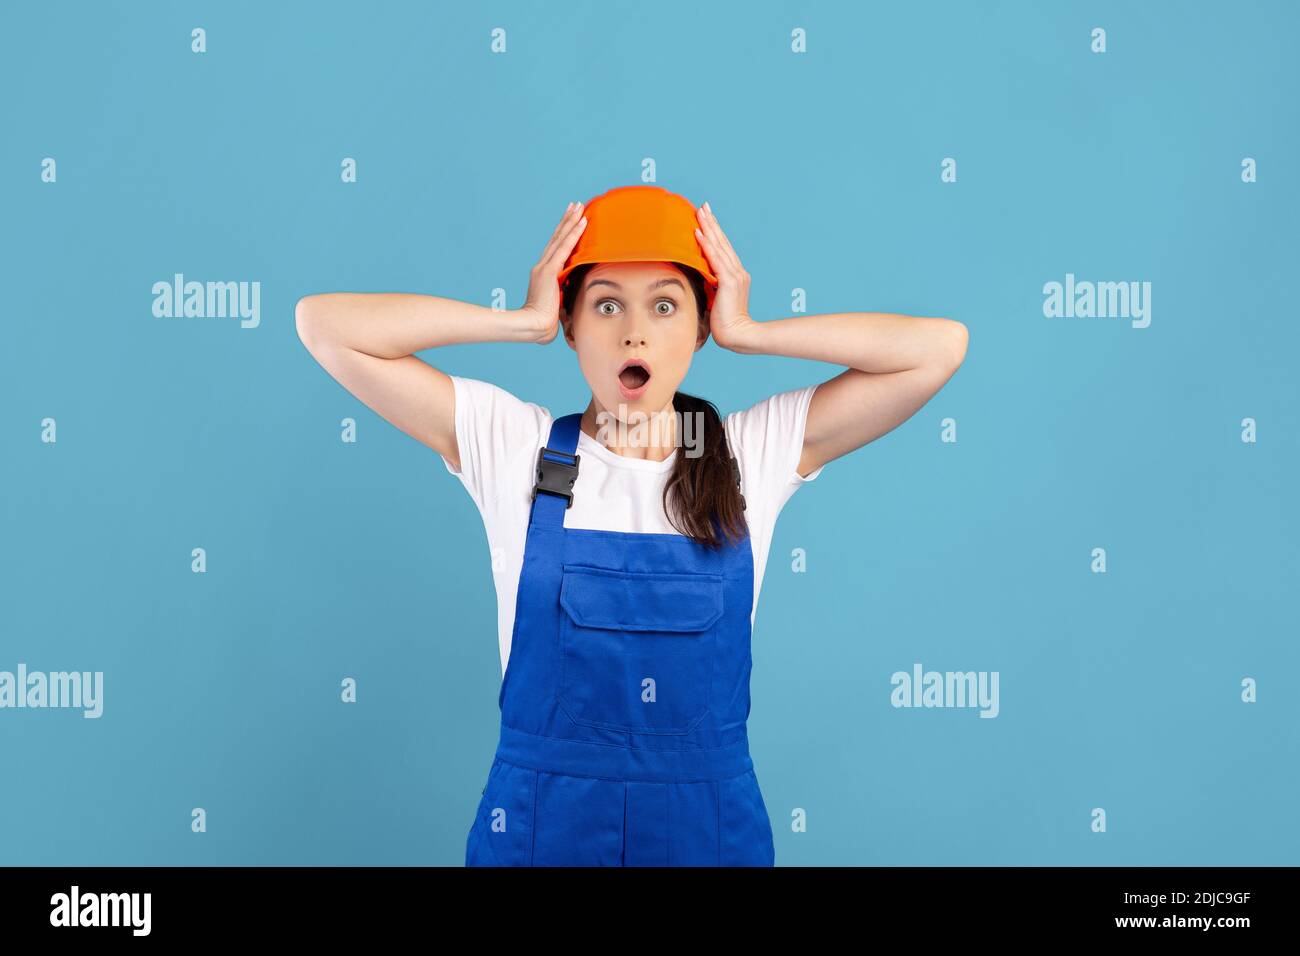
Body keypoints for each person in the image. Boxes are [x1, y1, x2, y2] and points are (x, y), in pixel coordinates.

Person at [295, 184, 968, 866]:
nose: (634, 331)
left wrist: (752, 332)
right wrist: (518, 321)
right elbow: (324, 325)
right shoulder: (514, 448)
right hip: (540, 831)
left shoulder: (744, 458)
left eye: (667, 305)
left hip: (705, 836)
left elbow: (937, 348)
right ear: (572, 325)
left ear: (701, 329)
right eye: (606, 303)